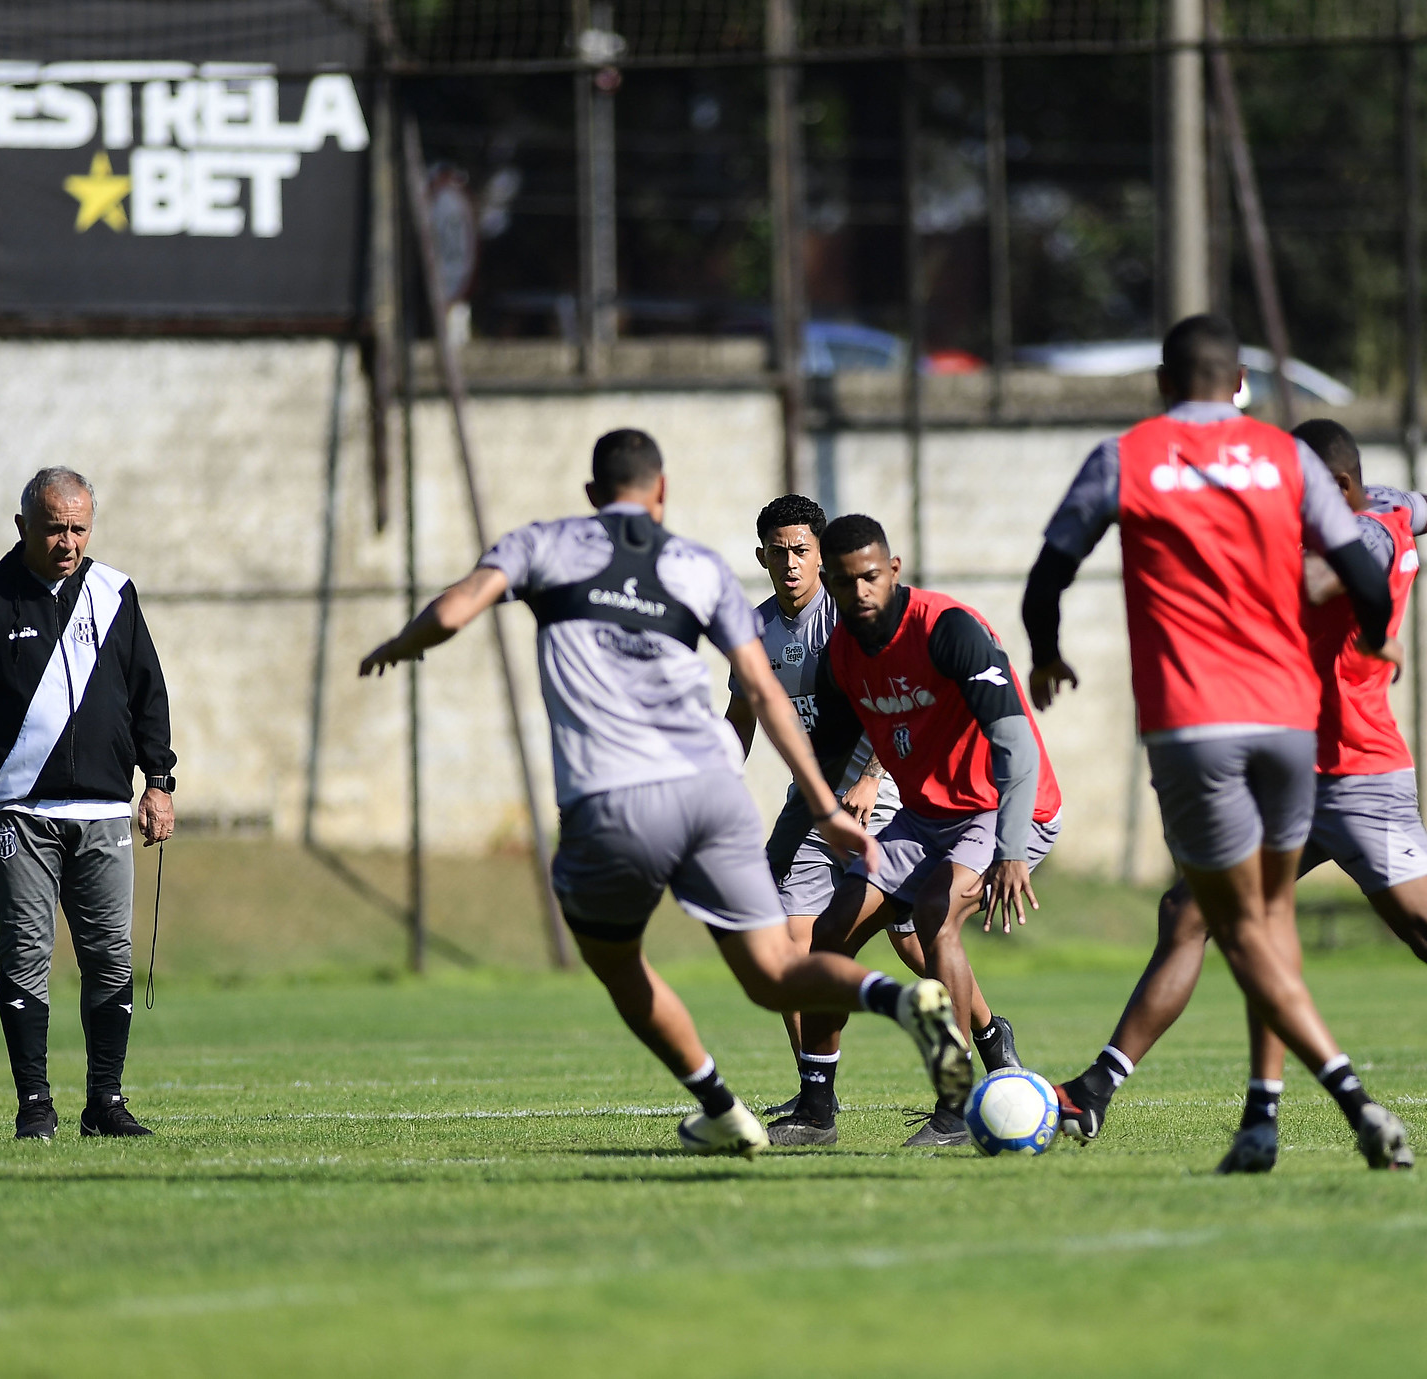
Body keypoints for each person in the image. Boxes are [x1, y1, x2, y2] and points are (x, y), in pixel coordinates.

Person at [1040, 420, 1427, 1170]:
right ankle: (1097, 1090)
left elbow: (1309, 583)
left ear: (1331, 489)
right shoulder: (1385, 505)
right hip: (1293, 767)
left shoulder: (1360, 536)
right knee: (1192, 912)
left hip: (1359, 775)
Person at [358, 430, 969, 1157]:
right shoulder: (699, 566)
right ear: (662, 491)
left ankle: (724, 1102)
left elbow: (457, 609)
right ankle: (894, 1010)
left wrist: (404, 643)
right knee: (778, 967)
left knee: (617, 959)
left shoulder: (542, 544)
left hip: (613, 795)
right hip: (713, 790)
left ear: (591, 495)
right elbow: (763, 699)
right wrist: (826, 807)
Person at [1022, 315, 1415, 1171]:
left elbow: (1049, 570)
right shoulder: (1287, 458)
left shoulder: (1126, 456)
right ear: (1241, 380)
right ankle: (1262, 1120)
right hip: (1287, 724)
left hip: (1195, 727)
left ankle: (1354, 1101)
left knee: (1233, 928)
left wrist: (1046, 654)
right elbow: (1359, 566)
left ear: (1164, 383)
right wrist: (1379, 634)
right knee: (1268, 918)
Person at [767, 513, 1062, 1149]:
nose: (859, 594)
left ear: (893, 570)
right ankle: (817, 1111)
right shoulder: (842, 654)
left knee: (934, 917)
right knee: (832, 927)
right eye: (844, 585)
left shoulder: (948, 629)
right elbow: (826, 759)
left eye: (870, 577)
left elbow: (1016, 745)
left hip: (1007, 806)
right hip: (929, 816)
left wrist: (1011, 850)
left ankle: (954, 1111)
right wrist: (797, 837)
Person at [721, 496, 1016, 1120]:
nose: (792, 564)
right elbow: (740, 719)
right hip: (814, 798)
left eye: (803, 551)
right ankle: (818, 1092)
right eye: (780, 553)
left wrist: (873, 777)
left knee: (910, 938)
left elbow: (892, 700)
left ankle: (985, 1044)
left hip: (877, 799)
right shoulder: (753, 631)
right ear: (762, 557)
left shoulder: (850, 616)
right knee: (795, 932)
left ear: (821, 558)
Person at [0, 466, 177, 1141]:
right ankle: (35, 1104)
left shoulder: (116, 594)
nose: (69, 541)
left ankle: (106, 1102)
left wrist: (159, 781)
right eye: (56, 527)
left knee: (111, 956)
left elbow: (149, 693)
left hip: (102, 812)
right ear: (23, 526)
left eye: (80, 528)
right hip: (16, 810)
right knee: (26, 954)